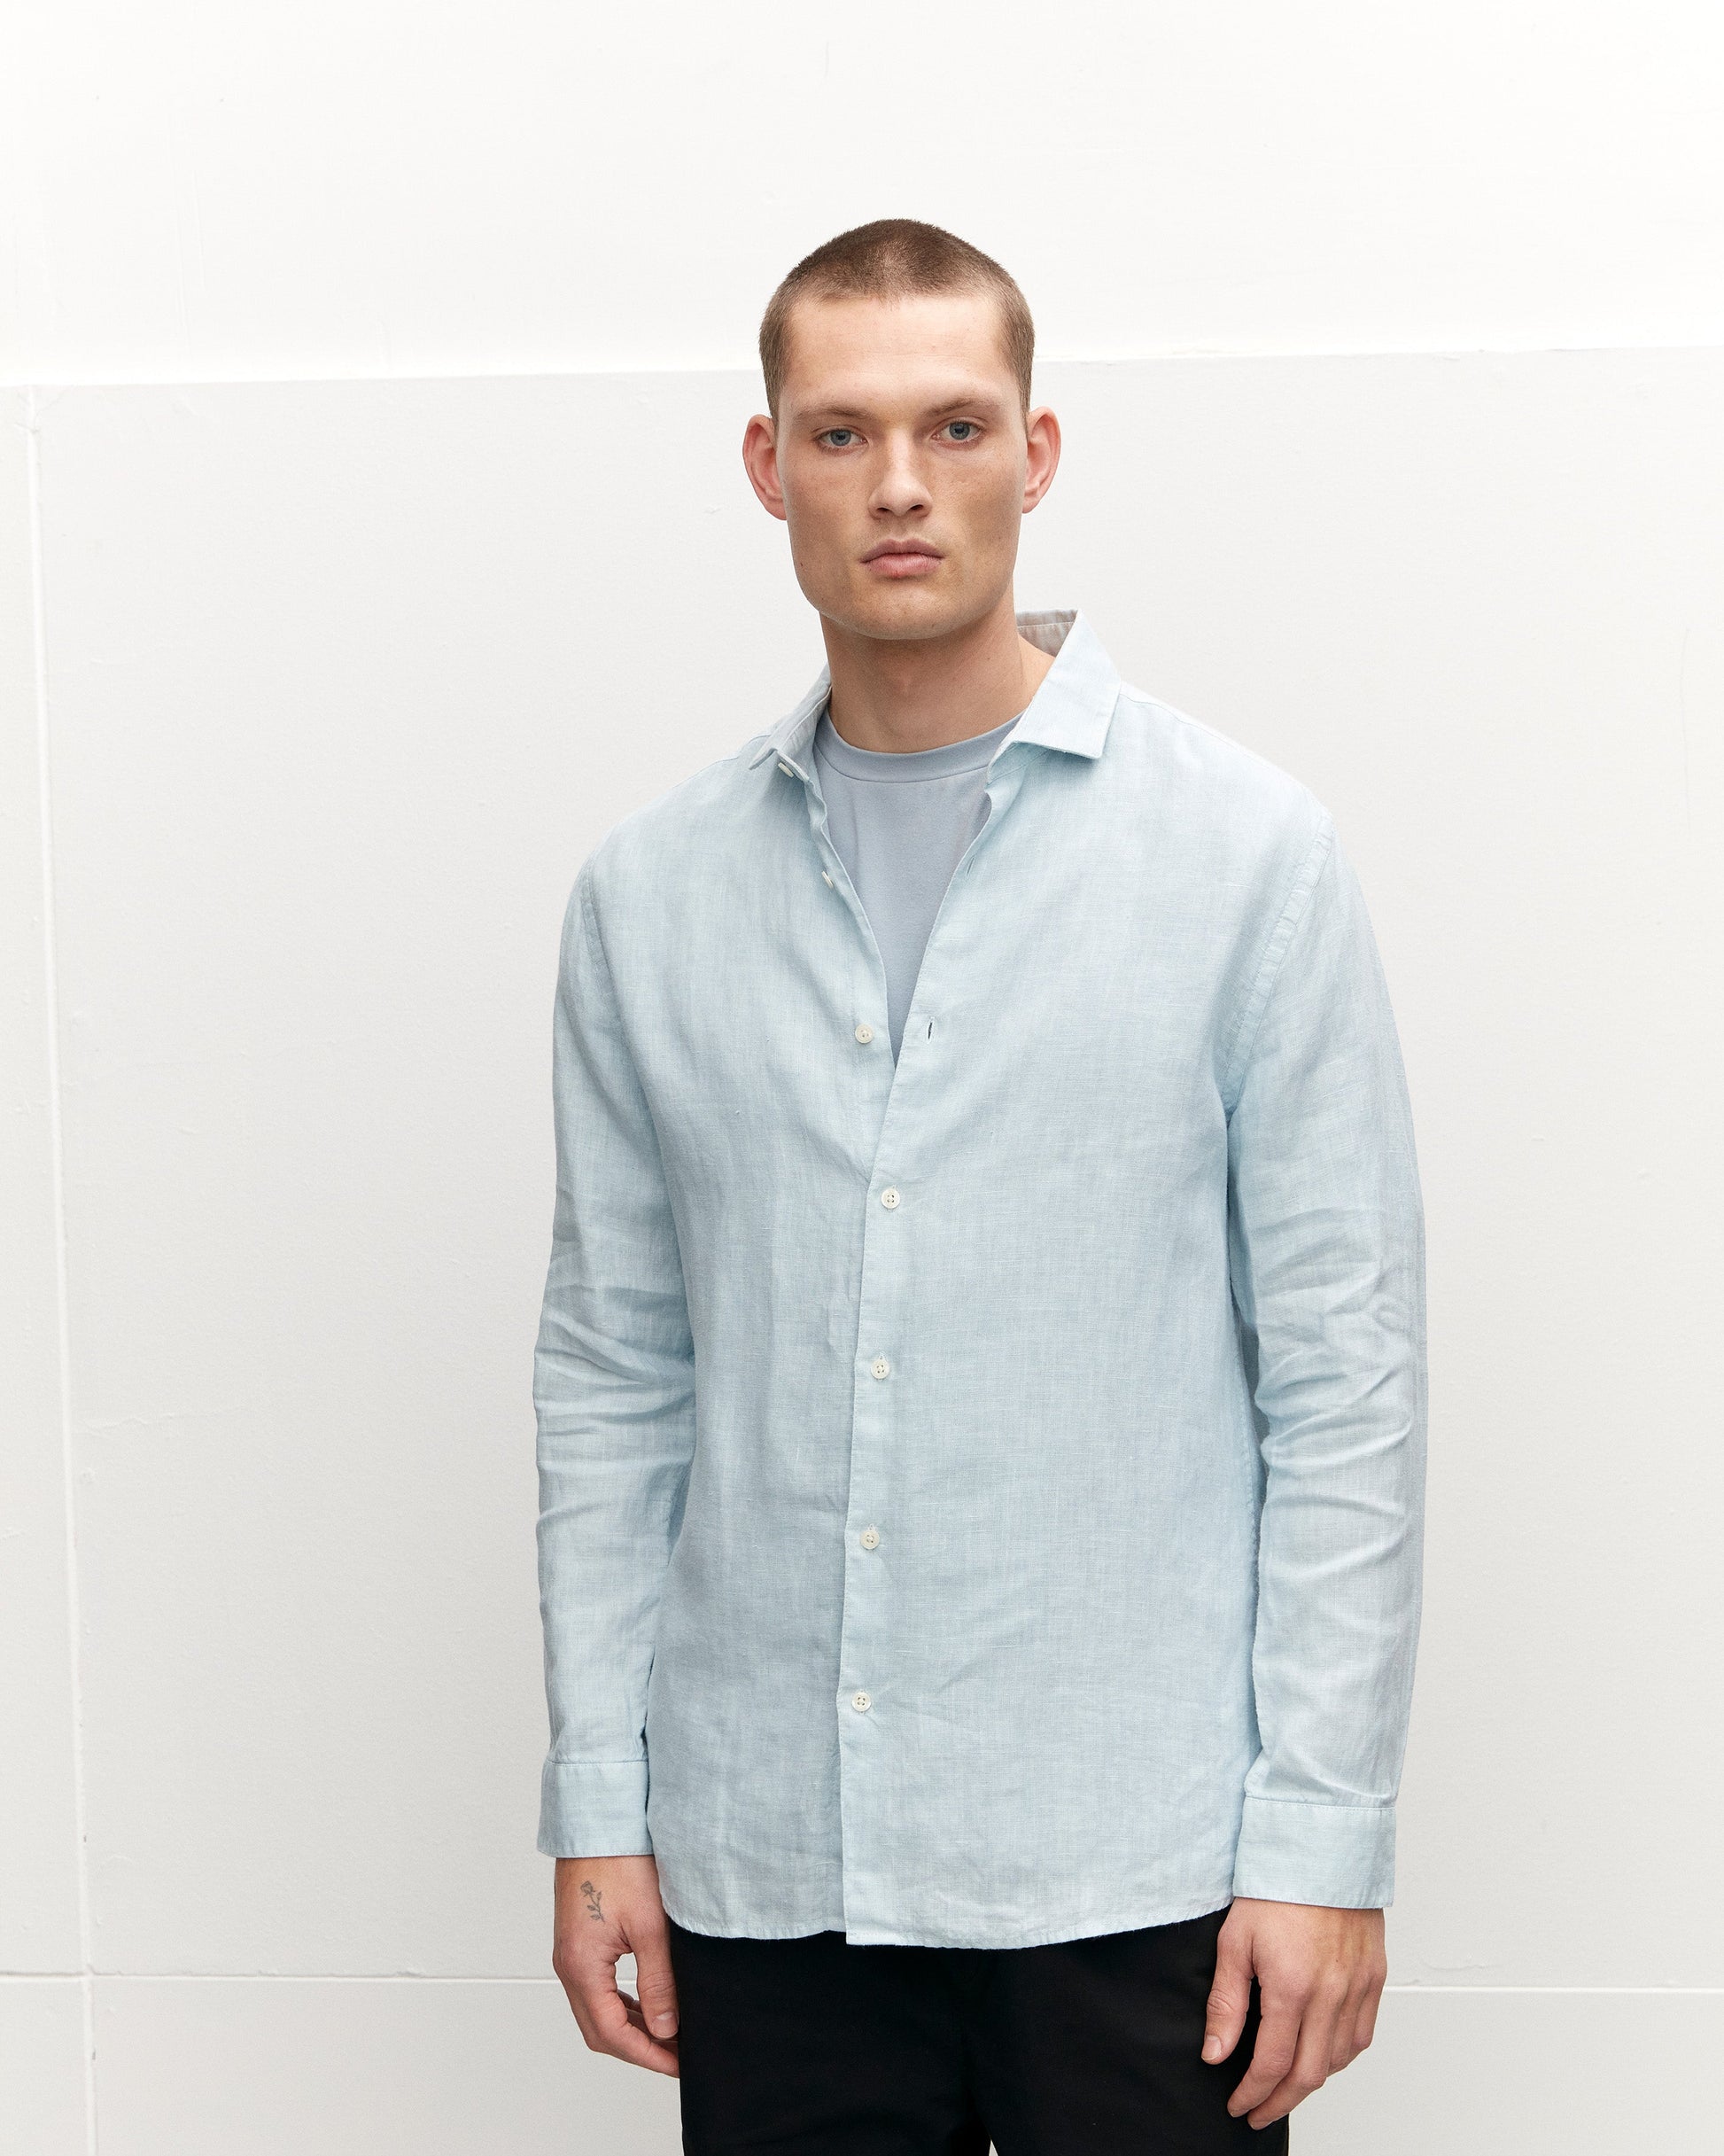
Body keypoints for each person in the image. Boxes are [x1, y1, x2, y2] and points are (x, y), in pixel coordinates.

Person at [532, 219, 1426, 2152]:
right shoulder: (649, 896)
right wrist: (601, 1803)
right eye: (840, 433)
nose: (900, 485)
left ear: (1036, 451)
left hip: (1140, 1861)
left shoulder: (1245, 858)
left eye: (952, 425)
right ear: (767, 466)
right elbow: (614, 1376)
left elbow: (1343, 1377)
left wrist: (1323, 1833)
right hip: (771, 1861)